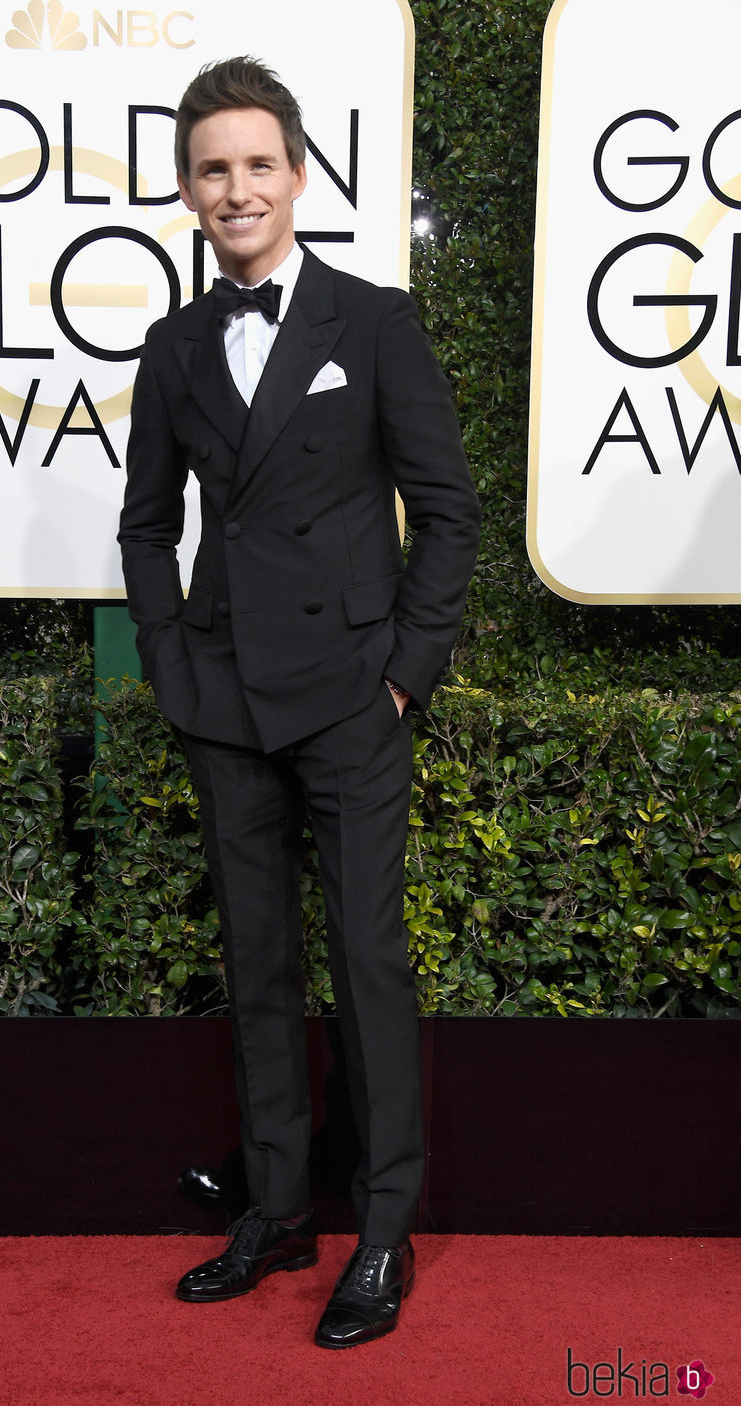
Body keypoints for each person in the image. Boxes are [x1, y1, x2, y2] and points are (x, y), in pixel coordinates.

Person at [118, 56, 480, 1349]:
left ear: (298, 175)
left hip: (349, 695)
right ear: (187, 192)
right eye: (212, 169)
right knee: (258, 964)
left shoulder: (373, 323)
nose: (236, 188)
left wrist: (404, 672)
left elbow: (448, 514)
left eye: (256, 164)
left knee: (365, 960)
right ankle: (276, 1207)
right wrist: (169, 663)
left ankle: (382, 1229)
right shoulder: (172, 346)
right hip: (224, 697)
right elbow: (146, 524)